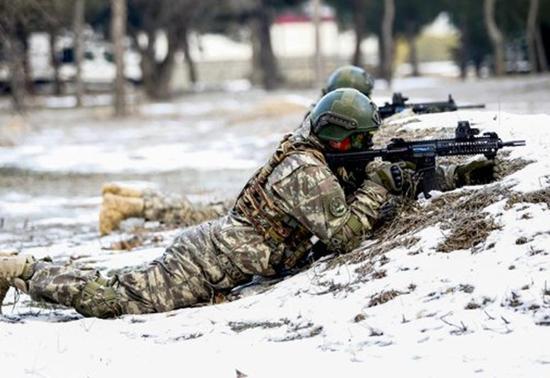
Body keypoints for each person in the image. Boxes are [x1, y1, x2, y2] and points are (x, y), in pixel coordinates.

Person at [0, 88, 495, 319]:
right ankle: (23, 267)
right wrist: (380, 186)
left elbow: (389, 168)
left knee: (116, 289)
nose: (368, 142)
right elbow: (345, 235)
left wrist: (452, 172)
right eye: (362, 136)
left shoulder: (326, 155)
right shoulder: (304, 170)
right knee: (112, 301)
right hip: (203, 262)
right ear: (342, 139)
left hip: (223, 258)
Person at [99, 65, 377, 235]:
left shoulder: (319, 117)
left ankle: (131, 197)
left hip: (270, 192)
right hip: (267, 202)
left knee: (200, 208)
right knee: (196, 212)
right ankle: (130, 205)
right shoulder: (323, 126)